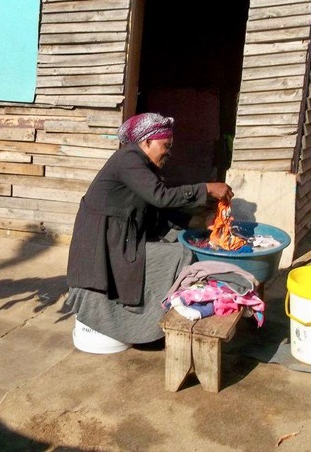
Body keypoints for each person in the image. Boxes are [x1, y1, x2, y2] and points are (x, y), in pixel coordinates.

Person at [66, 112, 233, 347]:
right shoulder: (128, 159)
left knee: (177, 248)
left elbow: (157, 210)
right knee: (179, 255)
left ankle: (160, 320)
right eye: (166, 145)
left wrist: (197, 222)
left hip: (120, 240)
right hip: (104, 247)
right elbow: (161, 197)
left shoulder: (143, 166)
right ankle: (159, 323)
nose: (169, 151)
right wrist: (206, 189)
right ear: (147, 142)